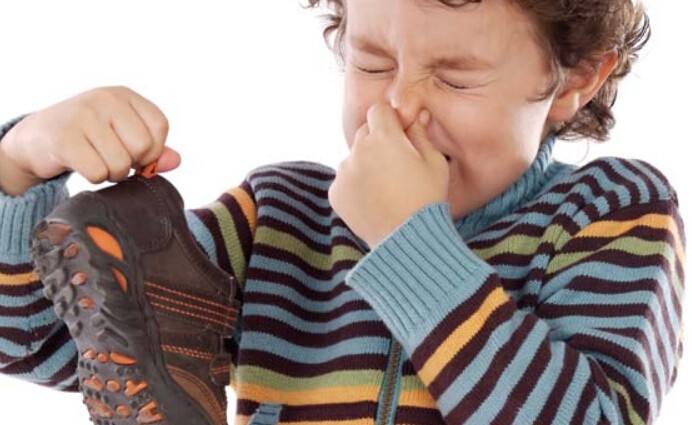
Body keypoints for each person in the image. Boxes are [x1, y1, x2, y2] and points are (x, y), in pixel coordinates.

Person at [0, 0, 685, 424]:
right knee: (135, 305)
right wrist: (19, 165)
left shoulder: (610, 212)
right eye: (373, 62)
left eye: (454, 76)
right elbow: (48, 343)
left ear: (574, 79)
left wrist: (407, 246)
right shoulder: (281, 217)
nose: (398, 108)